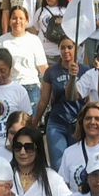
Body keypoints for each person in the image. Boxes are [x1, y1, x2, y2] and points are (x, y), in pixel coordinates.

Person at [34, 37, 81, 172]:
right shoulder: (51, 71)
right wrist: (34, 122)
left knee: (75, 166)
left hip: (77, 125)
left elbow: (89, 101)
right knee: (58, 167)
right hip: (57, 124)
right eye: (62, 47)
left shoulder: (84, 70)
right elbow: (44, 101)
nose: (66, 51)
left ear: (76, 49)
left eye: (70, 47)